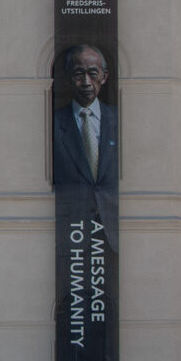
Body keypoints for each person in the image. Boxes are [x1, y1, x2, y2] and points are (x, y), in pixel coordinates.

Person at [51, 42, 120, 248]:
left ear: (104, 77)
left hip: (115, 232)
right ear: (68, 79)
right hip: (71, 232)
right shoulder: (53, 124)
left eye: (93, 73)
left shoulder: (120, 120)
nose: (86, 82)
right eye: (79, 74)